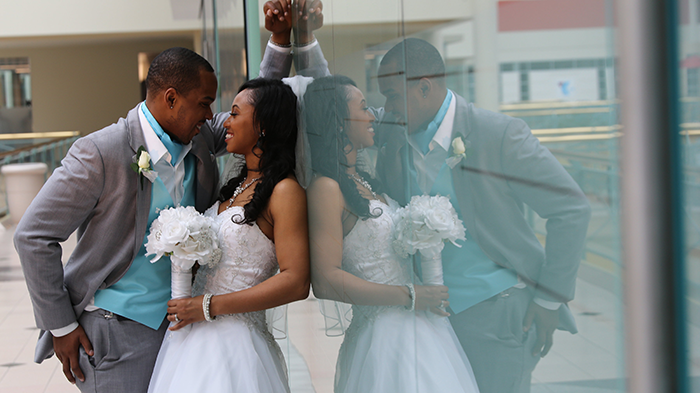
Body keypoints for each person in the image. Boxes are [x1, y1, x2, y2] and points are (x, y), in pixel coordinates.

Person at [267, 37, 591, 392]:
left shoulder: (498, 134)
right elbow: (333, 110)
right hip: (426, 325)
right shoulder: (391, 135)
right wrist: (301, 41)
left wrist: (548, 299)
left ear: (423, 88)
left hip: (497, 314)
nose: (384, 108)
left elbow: (570, 209)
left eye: (391, 95)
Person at [13, 44, 291, 392]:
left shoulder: (199, 135)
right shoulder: (100, 152)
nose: (211, 115)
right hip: (117, 332)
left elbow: (259, 111)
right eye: (205, 103)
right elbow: (32, 236)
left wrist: (279, 43)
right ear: (171, 99)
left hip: (185, 331)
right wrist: (62, 327)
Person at [305, 75, 480, 392]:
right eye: (363, 108)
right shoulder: (326, 188)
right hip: (384, 335)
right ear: (339, 121)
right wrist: (410, 295)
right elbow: (326, 280)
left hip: (420, 325)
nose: (373, 116)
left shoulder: (363, 180)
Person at [147, 78, 309, 393]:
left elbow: (297, 281)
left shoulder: (285, 191)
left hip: (237, 346)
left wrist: (208, 306)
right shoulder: (235, 187)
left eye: (234, 114)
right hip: (191, 342)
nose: (226, 123)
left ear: (262, 124)